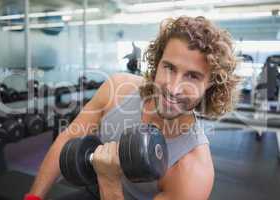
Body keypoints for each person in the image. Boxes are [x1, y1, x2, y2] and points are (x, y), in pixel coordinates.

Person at [25, 16, 239, 200]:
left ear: (211, 84)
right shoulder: (117, 89)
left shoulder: (193, 169)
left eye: (192, 76)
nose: (173, 89)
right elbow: (67, 139)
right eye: (169, 68)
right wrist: (33, 197)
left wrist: (109, 181)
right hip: (86, 188)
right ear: (157, 62)